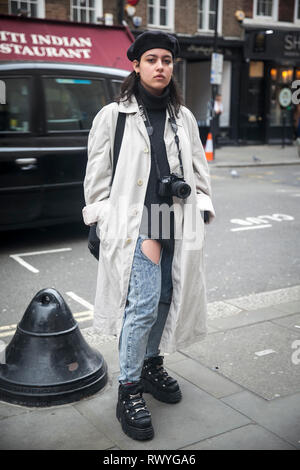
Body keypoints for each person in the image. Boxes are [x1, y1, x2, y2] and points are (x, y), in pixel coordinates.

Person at [82, 30, 215, 441]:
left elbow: (199, 172)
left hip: (173, 217)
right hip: (136, 222)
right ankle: (129, 387)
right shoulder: (112, 116)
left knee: (166, 296)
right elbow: (96, 181)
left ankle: (151, 363)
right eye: (152, 59)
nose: (161, 67)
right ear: (135, 65)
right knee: (140, 304)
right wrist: (103, 219)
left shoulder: (185, 117)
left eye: (167, 60)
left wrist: (203, 207)